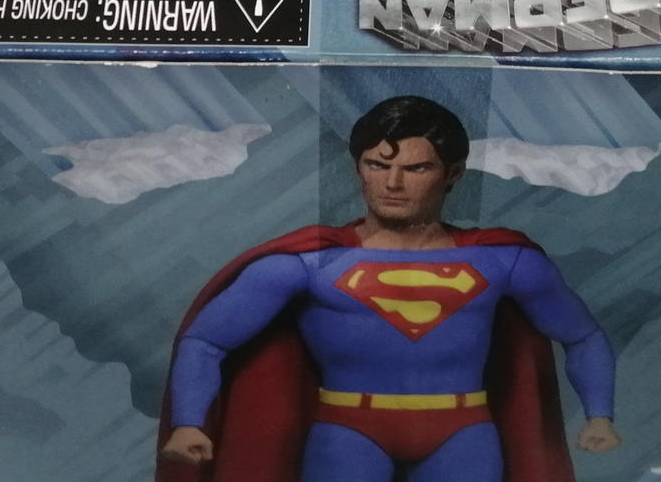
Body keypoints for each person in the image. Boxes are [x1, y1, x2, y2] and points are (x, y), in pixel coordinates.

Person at [157, 95, 621, 482]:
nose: (393, 183)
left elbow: (583, 336)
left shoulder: (504, 261)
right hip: (348, 429)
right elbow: (205, 340)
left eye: (417, 169)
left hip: (462, 430)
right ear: (359, 168)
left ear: (452, 173)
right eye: (378, 165)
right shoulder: (307, 263)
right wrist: (188, 422)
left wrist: (600, 414)